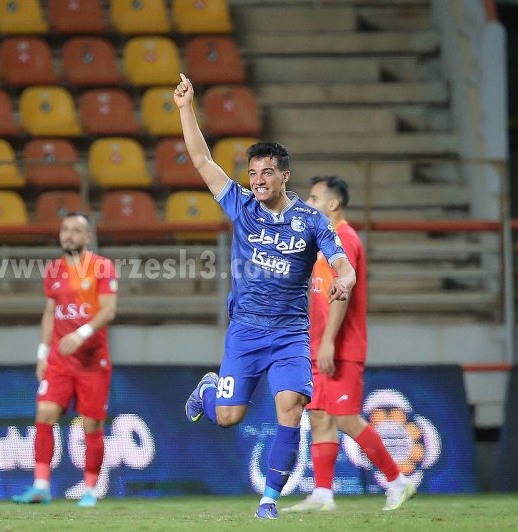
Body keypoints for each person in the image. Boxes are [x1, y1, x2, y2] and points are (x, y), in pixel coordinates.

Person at [174, 73, 357, 520]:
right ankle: (210, 389)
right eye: (253, 172)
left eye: (266, 172)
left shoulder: (311, 221)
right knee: (229, 417)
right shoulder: (241, 205)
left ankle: (269, 500)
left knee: (291, 407)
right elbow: (200, 159)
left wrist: (345, 279)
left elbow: (342, 261)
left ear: (284, 176)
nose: (257, 179)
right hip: (246, 330)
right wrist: (185, 108)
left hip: (291, 333)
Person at [283, 176, 415, 513]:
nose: (307, 204)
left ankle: (398, 481)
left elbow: (340, 293)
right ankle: (323, 494)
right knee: (320, 419)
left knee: (346, 419)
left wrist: (328, 343)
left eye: (313, 198)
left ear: (333, 204)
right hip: (317, 346)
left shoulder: (344, 239)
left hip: (340, 348)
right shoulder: (322, 241)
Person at [11, 212, 118, 508]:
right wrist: (42, 353)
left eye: (76, 230)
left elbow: (108, 311)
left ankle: (90, 489)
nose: (68, 235)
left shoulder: (102, 267)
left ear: (88, 237)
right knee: (44, 412)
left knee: (92, 425)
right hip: (59, 359)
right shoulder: (53, 270)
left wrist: (81, 334)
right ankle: (41, 486)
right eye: (65, 229)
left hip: (92, 360)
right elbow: (49, 312)